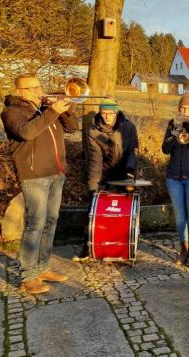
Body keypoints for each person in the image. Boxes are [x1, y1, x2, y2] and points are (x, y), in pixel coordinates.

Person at [0, 74, 79, 295]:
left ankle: (43, 268)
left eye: (39, 86)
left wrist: (65, 110)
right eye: (33, 88)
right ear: (21, 91)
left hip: (56, 173)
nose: (39, 90)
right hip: (34, 176)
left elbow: (73, 128)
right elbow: (27, 133)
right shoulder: (12, 112)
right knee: (35, 224)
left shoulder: (44, 109)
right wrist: (53, 112)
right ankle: (28, 277)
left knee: (50, 222)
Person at [73, 99, 139, 260]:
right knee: (93, 209)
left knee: (123, 211)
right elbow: (96, 161)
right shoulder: (94, 132)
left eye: (110, 113)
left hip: (125, 173)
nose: (107, 117)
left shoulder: (128, 128)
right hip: (104, 174)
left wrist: (130, 171)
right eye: (103, 113)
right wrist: (93, 186)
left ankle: (122, 245)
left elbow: (133, 151)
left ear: (116, 112)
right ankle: (87, 246)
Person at [162, 92, 189, 267]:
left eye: (186, 107)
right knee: (180, 217)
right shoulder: (172, 124)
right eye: (181, 107)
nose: (183, 110)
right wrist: (174, 135)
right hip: (174, 176)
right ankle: (184, 249)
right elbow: (165, 149)